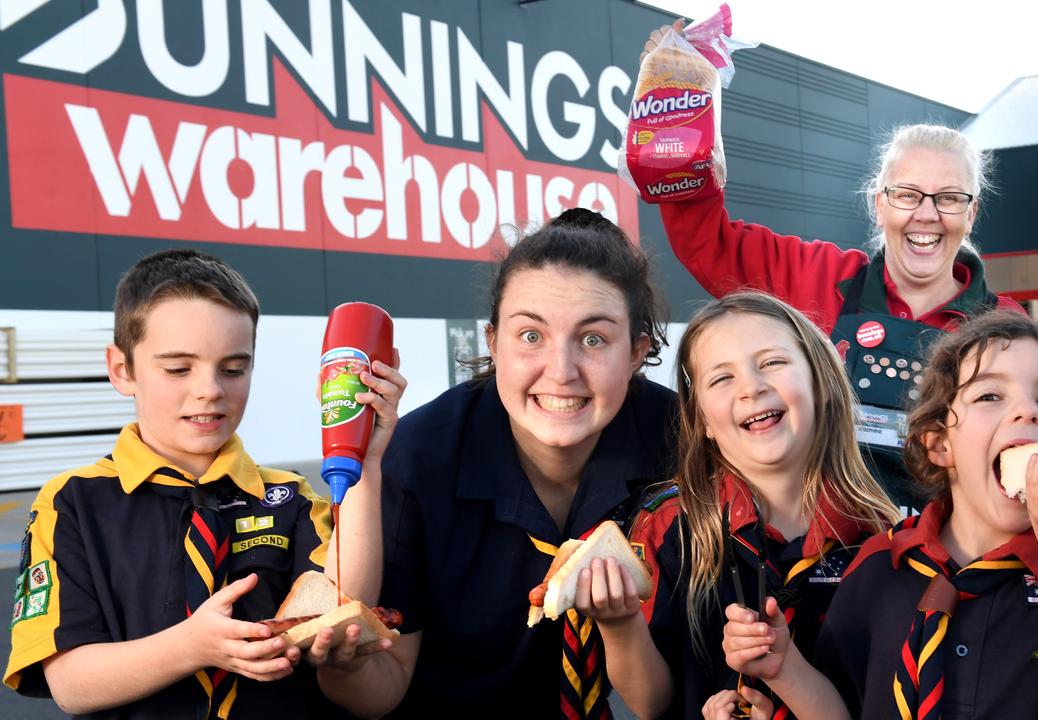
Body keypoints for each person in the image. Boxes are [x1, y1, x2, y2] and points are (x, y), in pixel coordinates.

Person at [652, 114, 1038, 509]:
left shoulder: (1010, 331)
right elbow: (706, 240)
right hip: (807, 559)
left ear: (971, 213)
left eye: (949, 198)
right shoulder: (815, 276)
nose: (926, 214)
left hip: (935, 580)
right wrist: (682, 134)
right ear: (880, 204)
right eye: (908, 195)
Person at [3, 249, 404, 719]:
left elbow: (345, 604)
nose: (210, 388)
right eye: (178, 368)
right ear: (121, 369)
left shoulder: (290, 498)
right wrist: (191, 647)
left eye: (233, 368)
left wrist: (364, 458)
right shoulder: (72, 503)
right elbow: (70, 683)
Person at [719, 312, 1038, 719]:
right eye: (989, 397)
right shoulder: (878, 564)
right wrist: (787, 670)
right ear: (939, 444)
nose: (1027, 412)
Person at [316, 208, 677, 719]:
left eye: (593, 339)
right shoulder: (418, 458)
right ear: (493, 341)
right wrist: (344, 664)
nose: (561, 371)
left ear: (637, 351)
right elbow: (382, 689)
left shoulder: (684, 446)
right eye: (531, 336)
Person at [594, 291, 900, 719]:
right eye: (722, 378)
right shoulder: (665, 524)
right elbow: (648, 703)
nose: (752, 388)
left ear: (821, 382)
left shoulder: (878, 534)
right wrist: (618, 621)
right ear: (702, 421)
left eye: (772, 362)